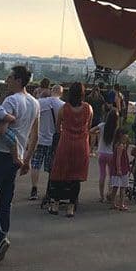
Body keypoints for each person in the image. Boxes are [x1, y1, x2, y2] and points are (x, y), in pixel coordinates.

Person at [0, 65, 39, 264]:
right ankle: (1, 238)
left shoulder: (12, 100)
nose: (7, 80)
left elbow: (2, 129)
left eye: (10, 77)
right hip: (18, 156)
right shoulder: (34, 102)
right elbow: (34, 135)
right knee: (5, 200)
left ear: (19, 80)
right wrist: (27, 160)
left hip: (1, 154)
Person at [48, 81, 93, 218]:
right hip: (81, 144)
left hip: (66, 143)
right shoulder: (88, 108)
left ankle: (55, 204)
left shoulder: (64, 108)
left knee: (60, 174)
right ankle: (71, 207)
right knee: (76, 176)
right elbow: (89, 127)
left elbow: (57, 126)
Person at [29, 84, 65, 201]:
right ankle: (49, 191)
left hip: (39, 139)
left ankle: (34, 189)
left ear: (51, 91)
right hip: (53, 141)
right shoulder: (63, 105)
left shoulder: (40, 102)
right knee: (51, 167)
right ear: (61, 93)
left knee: (35, 164)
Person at [90, 107, 118, 203]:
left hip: (101, 152)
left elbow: (91, 130)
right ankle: (110, 193)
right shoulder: (116, 129)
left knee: (102, 174)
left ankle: (101, 196)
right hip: (111, 154)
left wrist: (98, 133)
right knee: (111, 175)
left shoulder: (102, 125)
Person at [110, 127, 132, 211]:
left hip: (119, 169)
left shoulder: (117, 144)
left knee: (115, 186)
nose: (127, 136)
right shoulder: (121, 146)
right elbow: (118, 159)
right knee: (123, 187)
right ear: (122, 135)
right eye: (126, 134)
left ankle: (113, 203)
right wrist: (119, 169)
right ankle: (121, 204)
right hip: (121, 169)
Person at [88, 86, 105, 155]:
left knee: (92, 135)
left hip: (91, 117)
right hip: (99, 117)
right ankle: (98, 150)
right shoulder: (101, 98)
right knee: (98, 135)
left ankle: (91, 150)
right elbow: (103, 109)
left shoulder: (89, 98)